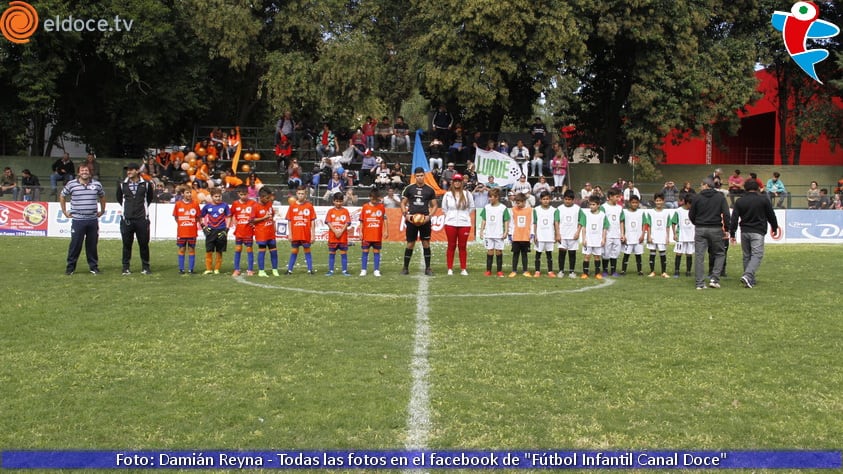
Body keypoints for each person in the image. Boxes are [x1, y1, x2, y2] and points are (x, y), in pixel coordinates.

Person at [729, 179, 779, 289]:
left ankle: (749, 279)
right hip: (758, 231)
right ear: (757, 188)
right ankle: (748, 275)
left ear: (745, 188)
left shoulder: (740, 201)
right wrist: (774, 227)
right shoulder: (763, 200)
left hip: (745, 231)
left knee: (746, 255)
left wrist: (732, 233)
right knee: (757, 255)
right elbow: (771, 215)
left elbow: (734, 219)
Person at [60, 164, 106, 275]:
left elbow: (102, 196)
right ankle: (70, 268)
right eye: (82, 170)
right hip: (78, 220)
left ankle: (93, 267)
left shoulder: (96, 184)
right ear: (78, 172)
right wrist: (64, 211)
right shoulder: (71, 184)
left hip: (92, 219)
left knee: (92, 245)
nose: (84, 172)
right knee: (75, 244)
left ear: (90, 172)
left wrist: (103, 210)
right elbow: (62, 195)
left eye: (86, 170)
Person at [689, 176, 730, 290]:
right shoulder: (720, 197)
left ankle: (700, 283)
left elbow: (691, 214)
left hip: (700, 228)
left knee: (699, 256)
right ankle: (714, 278)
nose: (701, 187)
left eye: (702, 185)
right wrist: (726, 229)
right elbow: (726, 214)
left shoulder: (697, 197)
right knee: (720, 253)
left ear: (706, 185)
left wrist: (697, 223)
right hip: (715, 228)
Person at [117, 163, 155, 275]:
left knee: (143, 244)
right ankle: (125, 267)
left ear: (137, 171)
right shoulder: (121, 185)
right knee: (126, 244)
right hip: (127, 219)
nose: (128, 172)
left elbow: (149, 199)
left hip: (142, 219)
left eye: (131, 170)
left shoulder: (146, 184)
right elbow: (120, 199)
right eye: (127, 170)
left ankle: (146, 267)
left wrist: (142, 211)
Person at [401, 167, 438, 275]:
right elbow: (403, 203)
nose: (420, 177)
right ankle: (405, 268)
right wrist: (406, 215)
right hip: (412, 220)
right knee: (410, 243)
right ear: (415, 176)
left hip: (425, 220)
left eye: (421, 175)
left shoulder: (430, 190)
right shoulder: (409, 188)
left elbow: (435, 205)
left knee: (426, 243)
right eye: (418, 176)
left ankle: (428, 268)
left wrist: (429, 216)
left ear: (424, 176)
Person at [441, 173, 474, 276]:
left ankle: (463, 268)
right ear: (452, 182)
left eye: (459, 181)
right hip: (450, 223)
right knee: (451, 245)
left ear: (462, 182)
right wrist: (450, 216)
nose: (457, 182)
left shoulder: (467, 194)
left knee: (462, 246)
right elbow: (444, 209)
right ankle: (450, 268)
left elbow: (471, 207)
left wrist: (464, 216)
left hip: (464, 223)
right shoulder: (447, 194)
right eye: (455, 181)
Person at [285, 186, 317, 275]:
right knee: (294, 250)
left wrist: (313, 234)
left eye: (302, 193)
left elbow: (312, 221)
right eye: (299, 193)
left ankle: (310, 270)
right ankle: (289, 270)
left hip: (306, 233)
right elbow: (290, 220)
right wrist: (290, 234)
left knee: (307, 250)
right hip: (295, 233)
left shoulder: (309, 206)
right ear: (296, 194)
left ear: (305, 194)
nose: (301, 195)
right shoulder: (292, 206)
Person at [478, 187, 509, 277]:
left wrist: (506, 231)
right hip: (489, 234)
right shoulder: (487, 207)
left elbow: (506, 220)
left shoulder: (503, 208)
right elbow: (484, 219)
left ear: (497, 197)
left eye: (491, 197)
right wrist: (481, 231)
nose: (490, 198)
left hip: (499, 234)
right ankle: (488, 270)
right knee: (490, 251)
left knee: (499, 252)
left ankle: (499, 271)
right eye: (489, 197)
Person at [173, 184, 202, 274]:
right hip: (182, 232)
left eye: (190, 193)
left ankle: (191, 269)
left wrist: (192, 223)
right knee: (181, 249)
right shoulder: (178, 204)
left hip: (192, 232)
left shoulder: (195, 204)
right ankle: (181, 269)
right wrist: (182, 224)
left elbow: (198, 217)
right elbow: (176, 217)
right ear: (183, 194)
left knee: (191, 249)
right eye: (187, 193)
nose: (189, 194)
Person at [200, 188, 231, 274]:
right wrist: (203, 226)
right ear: (211, 197)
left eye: (219, 196)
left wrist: (227, 229)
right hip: (211, 231)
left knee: (219, 250)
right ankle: (209, 268)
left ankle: (217, 269)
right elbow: (200, 216)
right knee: (209, 250)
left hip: (221, 230)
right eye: (216, 196)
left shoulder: (225, 205)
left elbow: (229, 217)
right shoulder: (207, 206)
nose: (218, 198)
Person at [359, 188, 388, 277]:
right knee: (365, 251)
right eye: (372, 199)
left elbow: (385, 219)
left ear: (378, 198)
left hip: (377, 234)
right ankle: (363, 270)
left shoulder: (381, 207)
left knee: (376, 252)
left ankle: (376, 270)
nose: (374, 201)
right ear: (369, 197)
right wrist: (360, 232)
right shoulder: (365, 207)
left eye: (376, 199)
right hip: (367, 234)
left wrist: (386, 231)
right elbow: (361, 221)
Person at [252, 186, 279, 277]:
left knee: (274, 252)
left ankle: (275, 270)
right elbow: (251, 220)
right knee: (262, 251)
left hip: (270, 233)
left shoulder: (269, 204)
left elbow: (272, 215)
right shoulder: (255, 207)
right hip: (261, 234)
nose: (269, 199)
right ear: (261, 197)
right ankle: (261, 271)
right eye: (267, 198)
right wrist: (264, 218)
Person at [578, 195, 608, 279]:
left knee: (597, 256)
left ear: (598, 205)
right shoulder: (586, 214)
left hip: (598, 240)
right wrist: (583, 239)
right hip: (588, 240)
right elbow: (583, 227)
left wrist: (603, 239)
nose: (592, 206)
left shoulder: (602, 215)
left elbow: (605, 228)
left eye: (594, 204)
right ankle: (585, 273)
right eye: (590, 204)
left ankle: (597, 273)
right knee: (587, 256)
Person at [229, 185, 256, 276]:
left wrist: (253, 223)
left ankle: (250, 269)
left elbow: (256, 215)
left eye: (245, 194)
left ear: (248, 194)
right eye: (241, 194)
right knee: (238, 249)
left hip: (248, 230)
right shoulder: (235, 203)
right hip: (239, 231)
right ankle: (236, 269)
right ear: (238, 194)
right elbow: (232, 214)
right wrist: (235, 224)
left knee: (249, 249)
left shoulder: (252, 203)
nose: (243, 196)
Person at [532, 191, 559, 277]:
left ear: (550, 199)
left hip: (549, 235)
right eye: (544, 199)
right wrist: (535, 234)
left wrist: (556, 234)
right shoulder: (536, 210)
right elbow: (535, 223)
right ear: (540, 200)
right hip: (540, 236)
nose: (545, 201)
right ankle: (537, 271)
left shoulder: (554, 210)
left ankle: (550, 271)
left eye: (547, 199)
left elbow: (555, 223)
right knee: (538, 254)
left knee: (549, 254)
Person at [556, 189, 582, 279]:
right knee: (562, 253)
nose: (567, 201)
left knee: (572, 253)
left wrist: (578, 232)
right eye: (566, 199)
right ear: (563, 199)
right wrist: (557, 234)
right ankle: (561, 271)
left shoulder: (577, 209)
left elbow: (581, 221)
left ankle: (572, 271)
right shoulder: (559, 209)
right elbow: (556, 222)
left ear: (573, 200)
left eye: (569, 199)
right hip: (562, 235)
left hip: (573, 236)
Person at [324, 192, 351, 276]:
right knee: (332, 254)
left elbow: (347, 223)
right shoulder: (330, 211)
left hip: (342, 237)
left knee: (343, 254)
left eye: (340, 201)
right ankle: (331, 270)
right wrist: (335, 231)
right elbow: (328, 222)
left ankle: (344, 271)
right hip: (333, 237)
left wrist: (341, 231)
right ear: (333, 201)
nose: (338, 203)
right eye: (337, 201)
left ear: (342, 201)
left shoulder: (345, 211)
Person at [645, 193, 672, 278]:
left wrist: (667, 237)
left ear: (663, 201)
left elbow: (668, 226)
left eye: (660, 200)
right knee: (652, 253)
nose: (658, 202)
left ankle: (663, 272)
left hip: (662, 236)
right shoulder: (650, 213)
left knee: (662, 254)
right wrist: (649, 236)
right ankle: (652, 271)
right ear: (654, 201)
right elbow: (648, 225)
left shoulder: (666, 213)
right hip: (653, 236)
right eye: (657, 200)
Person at [508, 193, 533, 278]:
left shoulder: (530, 210)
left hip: (526, 236)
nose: (517, 204)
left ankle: (525, 271)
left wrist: (532, 233)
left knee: (524, 254)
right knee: (515, 254)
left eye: (519, 202)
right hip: (516, 236)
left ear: (524, 202)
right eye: (516, 202)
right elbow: (511, 222)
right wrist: (510, 234)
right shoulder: (513, 210)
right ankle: (514, 271)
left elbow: (532, 222)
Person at [601, 188, 625, 276]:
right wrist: (603, 236)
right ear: (610, 197)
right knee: (606, 252)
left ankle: (614, 271)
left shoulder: (619, 208)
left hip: (617, 234)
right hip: (607, 234)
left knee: (615, 252)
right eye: (617, 196)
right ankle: (605, 270)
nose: (619, 198)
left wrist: (622, 233)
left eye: (619, 196)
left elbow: (621, 221)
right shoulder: (603, 207)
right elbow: (601, 221)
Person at [620, 194, 645, 276]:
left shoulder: (641, 213)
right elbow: (622, 223)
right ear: (630, 203)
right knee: (626, 255)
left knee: (638, 255)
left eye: (636, 202)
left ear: (638, 203)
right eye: (633, 202)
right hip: (628, 237)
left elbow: (644, 224)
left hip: (638, 238)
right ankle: (623, 270)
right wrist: (623, 235)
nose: (634, 204)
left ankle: (640, 270)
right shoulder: (625, 212)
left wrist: (642, 235)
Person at [670, 195, 695, 277]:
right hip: (681, 236)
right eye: (690, 204)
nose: (691, 206)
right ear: (687, 203)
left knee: (689, 254)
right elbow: (673, 223)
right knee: (679, 253)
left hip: (691, 236)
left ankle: (688, 271)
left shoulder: (694, 211)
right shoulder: (678, 211)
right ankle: (677, 271)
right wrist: (674, 234)